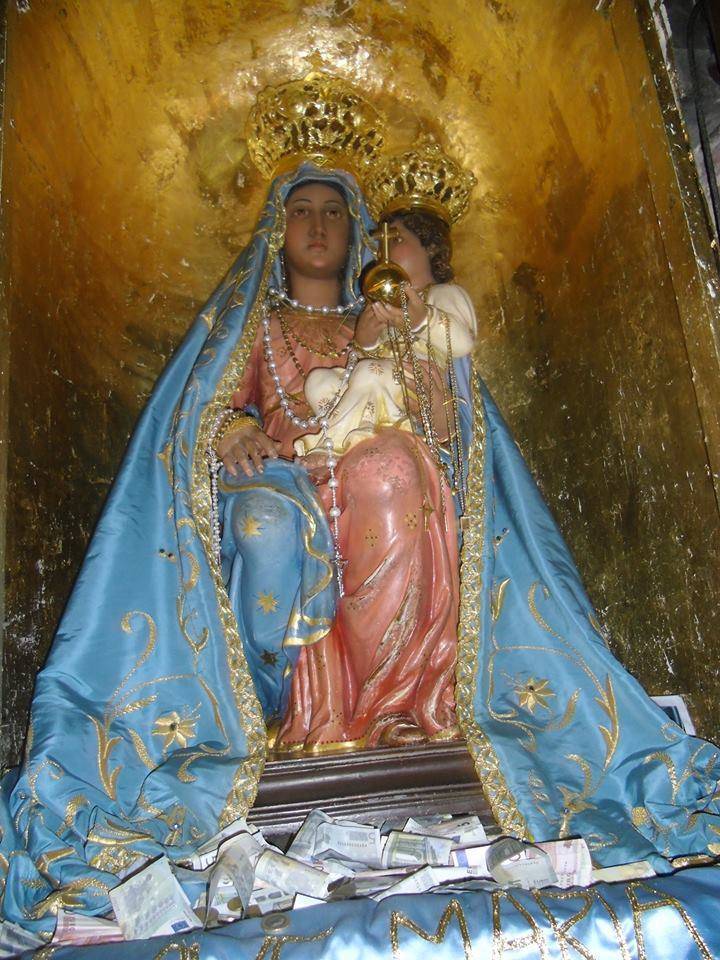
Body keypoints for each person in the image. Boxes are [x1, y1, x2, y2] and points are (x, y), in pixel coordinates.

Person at [215, 182, 465, 752]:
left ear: (356, 233)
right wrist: (232, 427)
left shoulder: (385, 317)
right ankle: (270, 702)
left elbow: (442, 416)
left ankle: (388, 702)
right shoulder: (255, 324)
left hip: (362, 469)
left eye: (333, 213)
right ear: (277, 231)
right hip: (282, 473)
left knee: (390, 469)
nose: (318, 227)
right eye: (300, 212)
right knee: (266, 523)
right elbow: (205, 404)